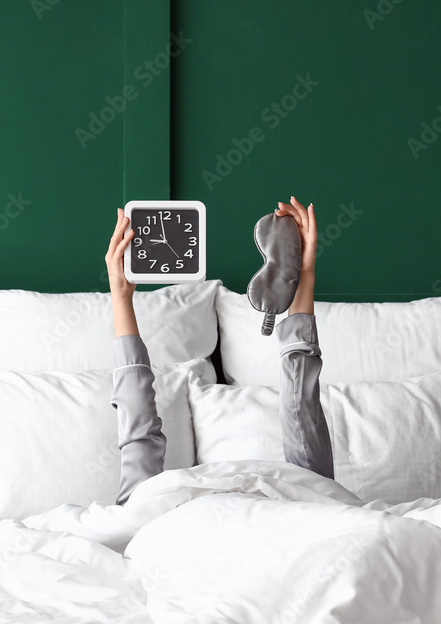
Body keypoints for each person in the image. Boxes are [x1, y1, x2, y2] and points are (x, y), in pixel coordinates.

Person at [104, 197, 333, 505]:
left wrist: (121, 298)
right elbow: (304, 428)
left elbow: (139, 443)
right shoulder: (310, 509)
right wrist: (303, 278)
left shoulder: (147, 516)